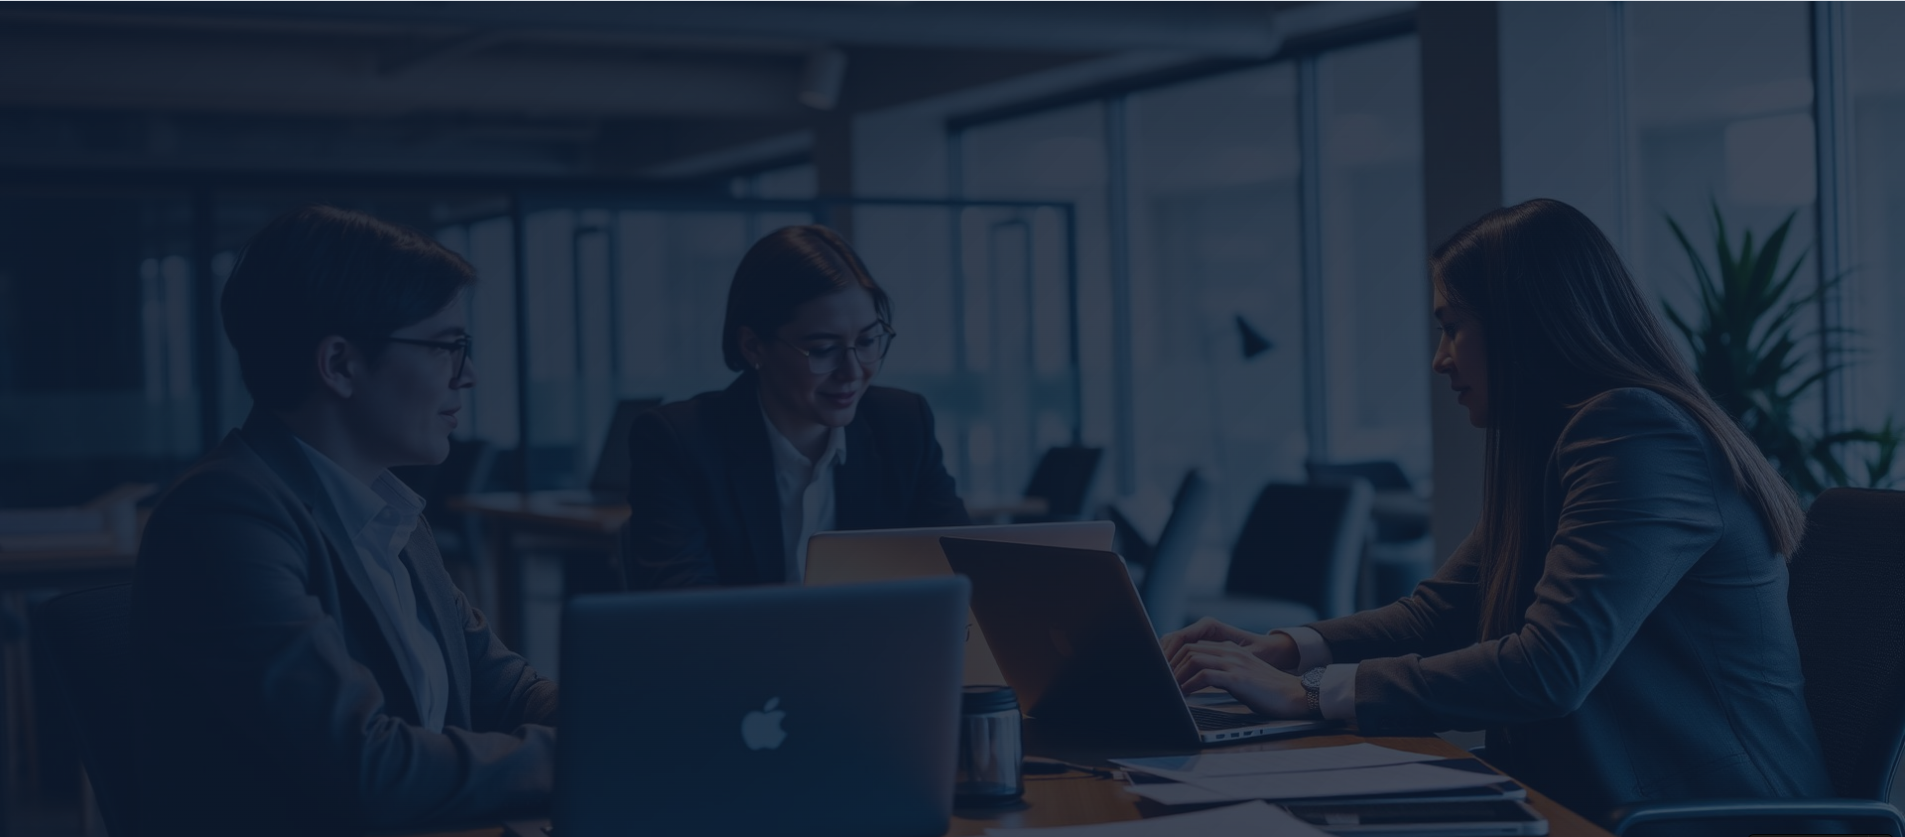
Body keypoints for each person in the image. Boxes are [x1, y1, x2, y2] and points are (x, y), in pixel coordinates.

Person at [1163, 199, 1833, 814]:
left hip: (1710, 814)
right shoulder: (1560, 438)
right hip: (1596, 795)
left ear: (1523, 325)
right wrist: (1285, 649)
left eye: (1452, 327)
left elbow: (1549, 669)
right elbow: (1440, 612)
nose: (1438, 359)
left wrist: (1312, 694)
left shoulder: (1637, 436)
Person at [134, 207, 557, 835]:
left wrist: (617, 718)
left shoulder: (390, 514)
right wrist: (582, 754)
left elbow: (502, 688)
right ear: (338, 365)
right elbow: (363, 769)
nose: (466, 376)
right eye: (446, 347)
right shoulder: (225, 517)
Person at [624, 224, 969, 589]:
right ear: (753, 346)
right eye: (823, 349)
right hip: (743, 647)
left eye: (868, 341)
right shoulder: (680, 442)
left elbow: (967, 572)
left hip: (883, 646)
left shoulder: (902, 425)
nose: (853, 372)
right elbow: (685, 606)